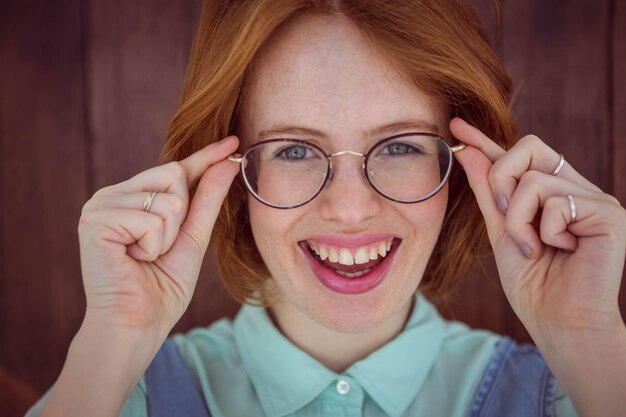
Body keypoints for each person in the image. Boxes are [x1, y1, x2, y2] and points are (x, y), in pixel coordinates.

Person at [27, 0, 626, 416]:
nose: (348, 209)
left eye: (399, 145)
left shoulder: (578, 392)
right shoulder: (115, 396)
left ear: (464, 168)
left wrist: (591, 343)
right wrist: (110, 342)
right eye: (292, 149)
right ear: (229, 178)